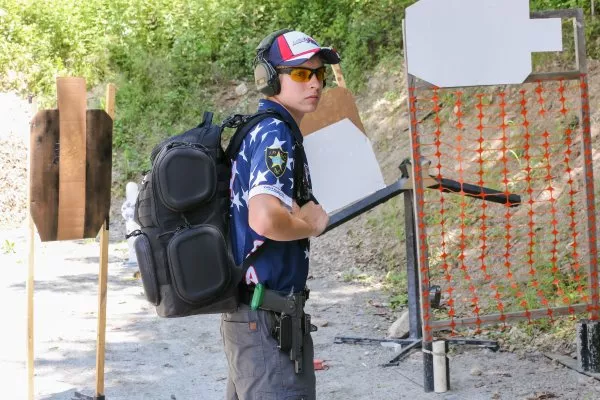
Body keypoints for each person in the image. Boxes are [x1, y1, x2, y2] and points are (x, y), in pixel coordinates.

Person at [221, 29, 340, 400]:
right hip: (266, 321)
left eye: (319, 73)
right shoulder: (275, 133)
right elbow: (264, 219)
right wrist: (310, 226)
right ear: (270, 78)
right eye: (301, 73)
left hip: (259, 319)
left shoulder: (265, 128)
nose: (315, 83)